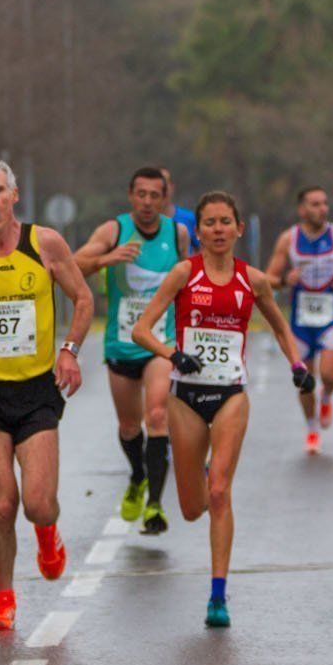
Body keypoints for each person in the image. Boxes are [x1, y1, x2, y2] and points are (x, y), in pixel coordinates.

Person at [133, 192, 311, 628]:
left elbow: (279, 325)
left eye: (224, 222)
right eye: (209, 222)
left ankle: (217, 596)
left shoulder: (254, 280)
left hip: (231, 393)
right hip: (186, 397)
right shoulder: (182, 274)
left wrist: (298, 365)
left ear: (238, 229)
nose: (216, 229)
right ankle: (203, 468)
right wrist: (172, 354)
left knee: (219, 494)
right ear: (199, 231)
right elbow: (141, 329)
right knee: (193, 508)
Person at [0, 159, 94, 631]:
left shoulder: (43, 243)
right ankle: (3, 598)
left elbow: (83, 298)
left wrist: (69, 351)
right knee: (2, 503)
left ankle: (47, 534)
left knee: (37, 503)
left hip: (36, 390)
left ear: (13, 197)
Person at [74, 166, 190, 534]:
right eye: (141, 194)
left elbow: (187, 279)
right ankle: (138, 476)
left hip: (160, 343)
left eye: (155, 195)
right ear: (131, 195)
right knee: (128, 425)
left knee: (156, 415)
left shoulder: (178, 233)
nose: (147, 202)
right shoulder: (113, 231)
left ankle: (155, 504)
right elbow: (73, 264)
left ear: (164, 198)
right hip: (121, 343)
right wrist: (108, 259)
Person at [265, 186, 333, 455]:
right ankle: (311, 427)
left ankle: (327, 396)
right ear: (302, 209)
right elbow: (269, 277)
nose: (322, 208)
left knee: (331, 374)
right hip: (300, 320)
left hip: (331, 316)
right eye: (315, 204)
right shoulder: (288, 239)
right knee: (304, 379)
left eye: (324, 203)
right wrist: (284, 280)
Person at [160, 167, 197, 245]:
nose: (161, 189)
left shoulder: (190, 219)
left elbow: (202, 250)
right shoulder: (138, 224)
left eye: (165, 183)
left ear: (172, 187)